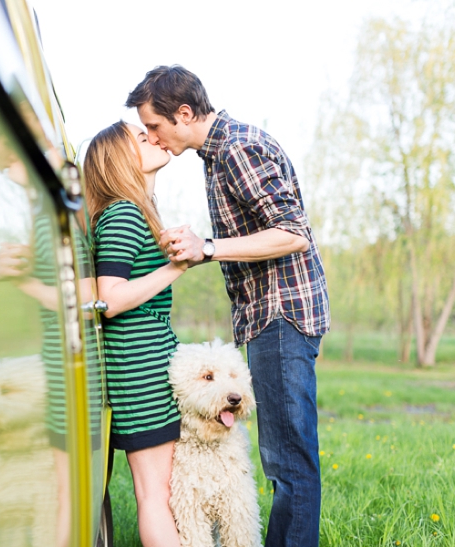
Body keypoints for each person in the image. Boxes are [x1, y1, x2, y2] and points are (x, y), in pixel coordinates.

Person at [126, 65, 330, 547]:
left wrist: (210, 247)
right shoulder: (217, 155)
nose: (152, 137)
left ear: (183, 113)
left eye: (154, 126)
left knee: (288, 459)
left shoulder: (238, 148)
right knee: (282, 455)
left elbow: (293, 234)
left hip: (281, 313)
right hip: (265, 316)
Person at [83, 121, 186, 547]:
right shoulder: (124, 213)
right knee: (154, 495)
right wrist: (176, 267)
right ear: (122, 159)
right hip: (139, 369)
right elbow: (110, 298)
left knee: (159, 494)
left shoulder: (132, 210)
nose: (153, 138)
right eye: (141, 138)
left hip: (142, 365)